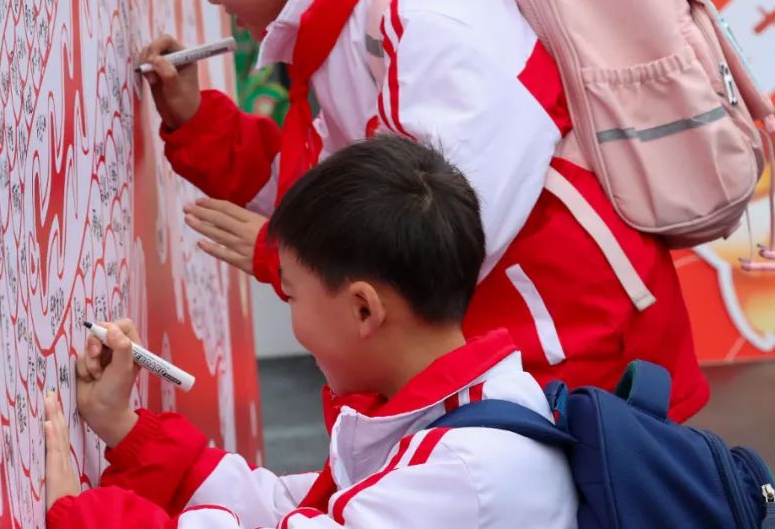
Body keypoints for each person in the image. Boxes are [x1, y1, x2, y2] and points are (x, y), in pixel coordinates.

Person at [142, 0, 707, 420]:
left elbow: (428, 238)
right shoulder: (359, 19)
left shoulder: (427, 18)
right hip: (536, 353)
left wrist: (289, 259)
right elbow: (317, 184)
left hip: (573, 360)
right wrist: (195, 120)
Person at [44, 136, 579, 528]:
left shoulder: (461, 472)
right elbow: (289, 509)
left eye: (293, 294)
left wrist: (79, 517)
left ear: (364, 310)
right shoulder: (452, 415)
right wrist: (124, 428)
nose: (295, 320)